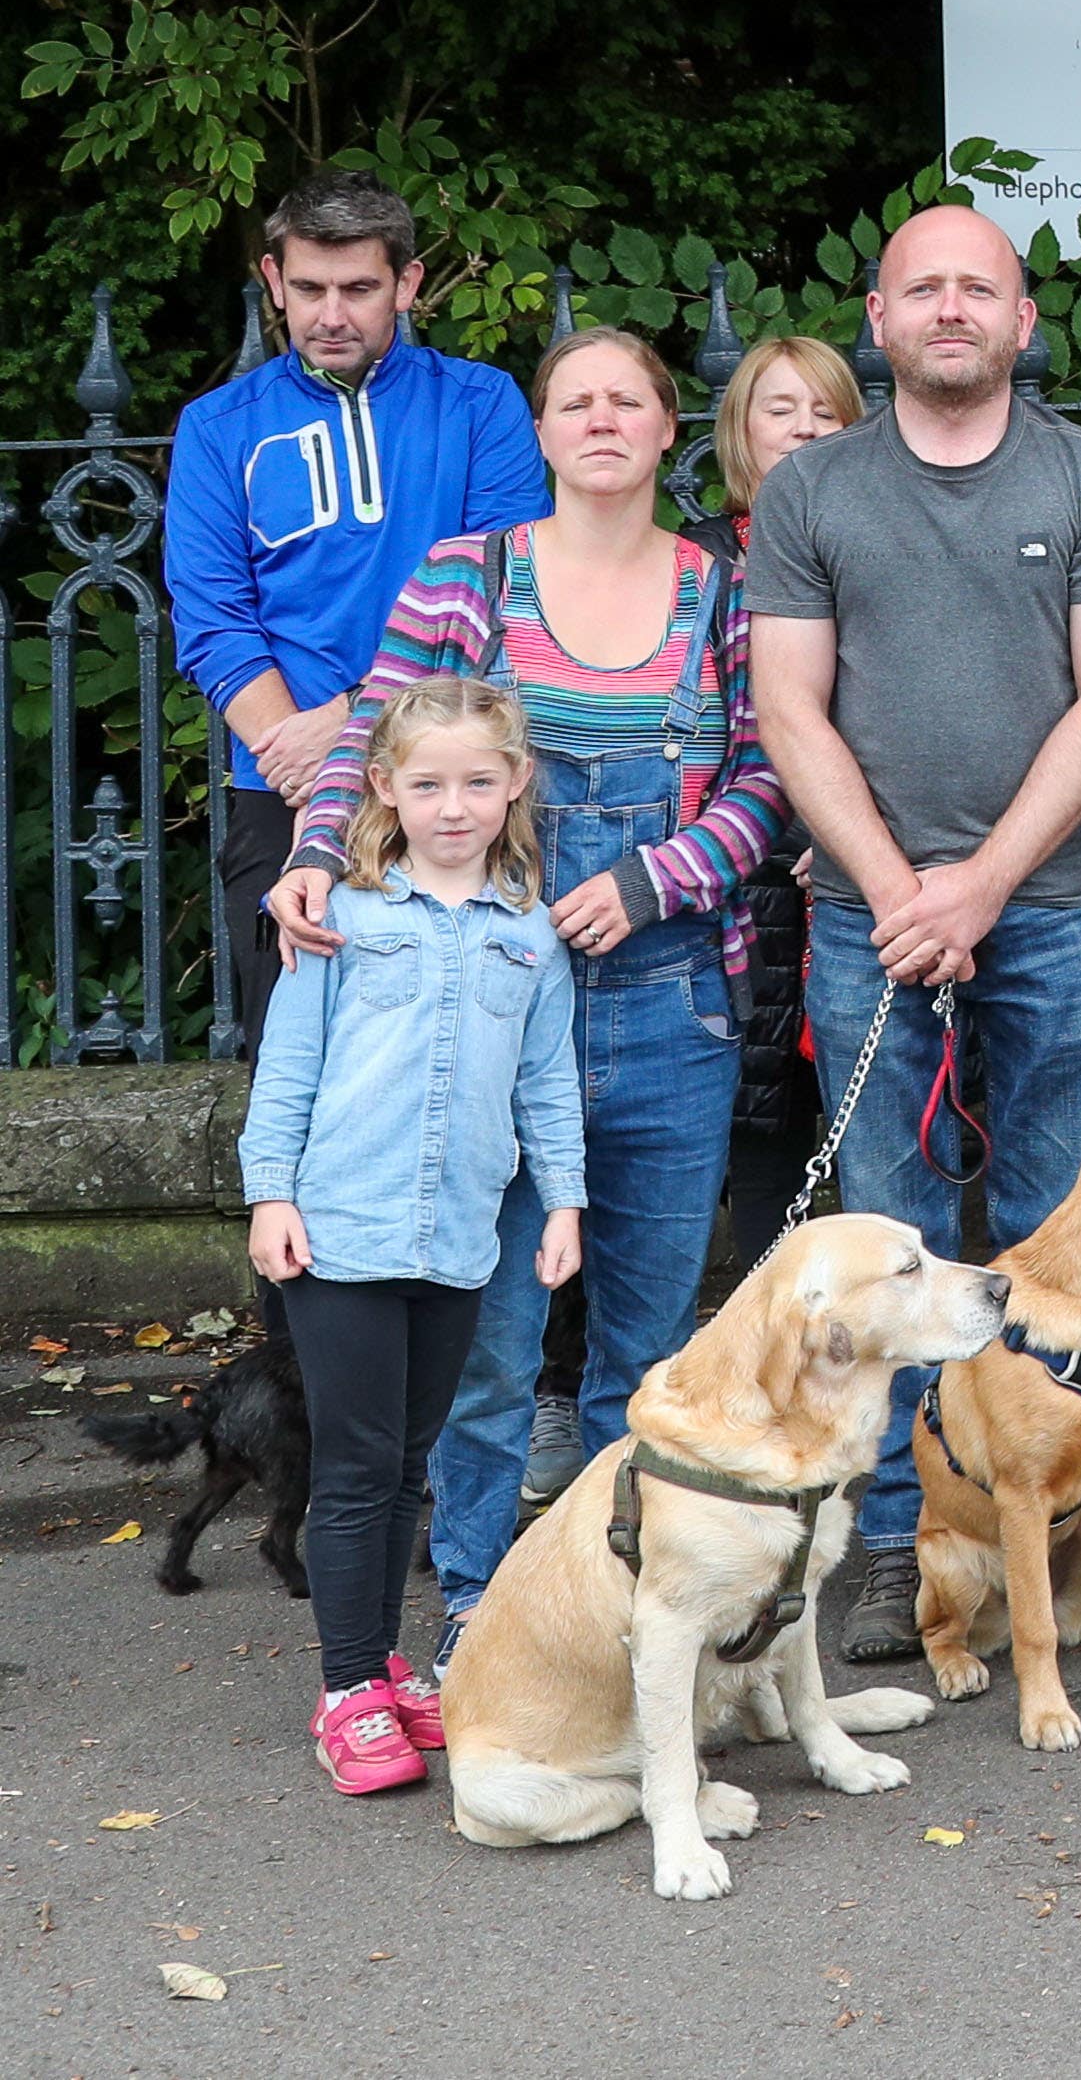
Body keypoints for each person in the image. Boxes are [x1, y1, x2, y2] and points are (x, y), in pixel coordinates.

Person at [267, 327, 788, 1646]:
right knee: (491, 1350)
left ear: (670, 429)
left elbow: (771, 781)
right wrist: (316, 859)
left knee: (645, 1351)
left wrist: (654, 879)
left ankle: (620, 1618)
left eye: (628, 400)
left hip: (675, 1012)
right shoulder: (467, 575)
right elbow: (375, 737)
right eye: (574, 400)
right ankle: (480, 1624)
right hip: (482, 1024)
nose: (601, 418)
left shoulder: (723, 591)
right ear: (543, 433)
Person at [744, 202, 1081, 1663]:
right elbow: (789, 707)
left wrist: (978, 884)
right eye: (922, 287)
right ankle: (905, 1533)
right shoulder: (811, 495)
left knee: (1061, 1239)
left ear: (1022, 318)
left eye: (977, 287)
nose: (949, 309)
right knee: (885, 1244)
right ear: (879, 316)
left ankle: (1070, 1519)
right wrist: (895, 888)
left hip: (1045, 907)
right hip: (871, 922)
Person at [240, 673, 582, 1793]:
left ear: (514, 783)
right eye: (427, 782)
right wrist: (269, 1193)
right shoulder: (340, 915)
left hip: (458, 1242)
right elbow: (288, 1065)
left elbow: (546, 1081)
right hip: (339, 1233)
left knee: (405, 1470)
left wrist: (565, 1199)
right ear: (383, 785)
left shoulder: (529, 932)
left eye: (478, 781)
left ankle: (382, 1659)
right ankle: (345, 1691)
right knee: (352, 1465)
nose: (453, 805)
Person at [169, 174, 545, 1044]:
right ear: (273, 280)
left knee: (461, 1059)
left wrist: (345, 729)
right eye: (308, 288)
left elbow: (497, 594)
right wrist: (300, 760)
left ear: (406, 286)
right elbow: (213, 619)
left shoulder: (481, 404)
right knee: (294, 1057)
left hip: (455, 783)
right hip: (280, 787)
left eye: (358, 289)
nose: (330, 313)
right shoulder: (219, 427)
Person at [699, 337, 862, 1288]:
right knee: (761, 1143)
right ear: (739, 430)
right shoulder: (701, 563)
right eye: (779, 409)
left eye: (826, 412)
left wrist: (846, 831)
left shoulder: (880, 543)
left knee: (878, 1127)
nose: (802, 429)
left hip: (864, 874)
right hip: (741, 886)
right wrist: (797, 830)